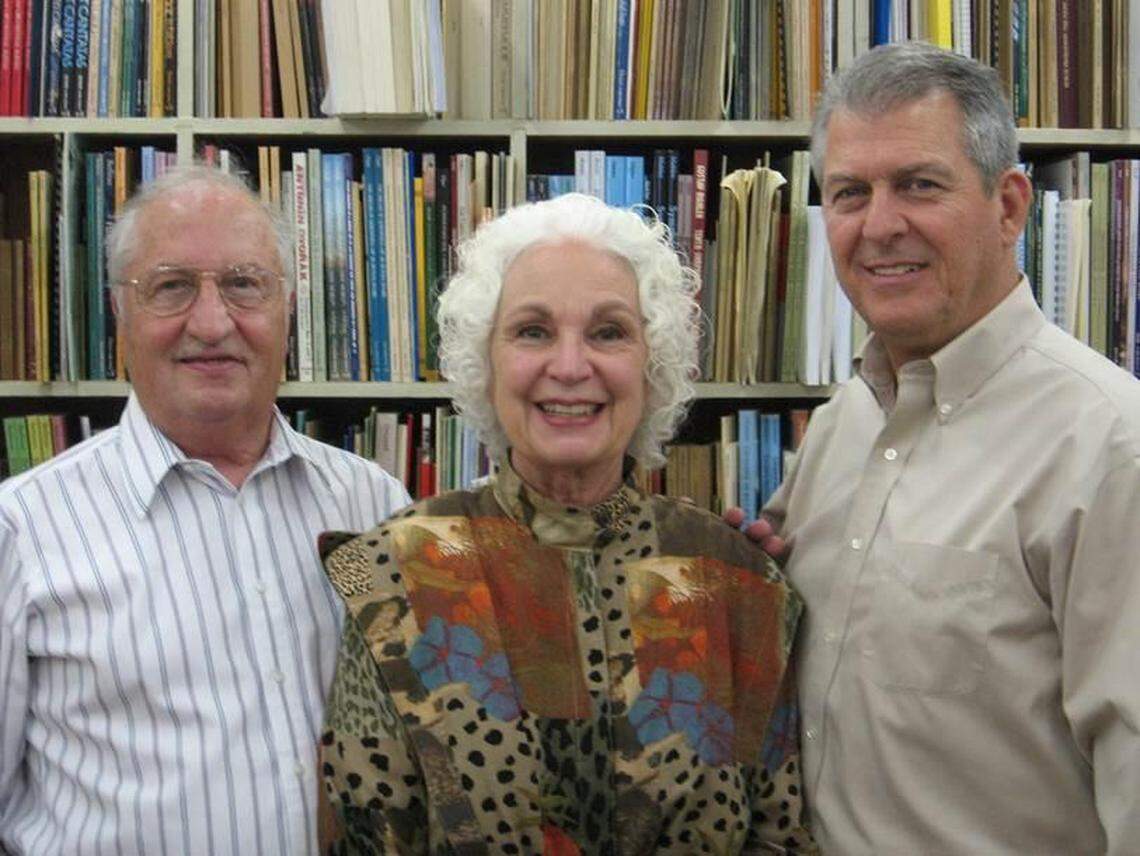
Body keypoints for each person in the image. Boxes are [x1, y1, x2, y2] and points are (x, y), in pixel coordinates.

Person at [316, 193, 816, 853]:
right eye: (533, 330)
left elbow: (780, 839)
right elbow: (363, 839)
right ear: (485, 362)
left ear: (651, 362)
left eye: (608, 331)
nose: (572, 367)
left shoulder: (739, 581)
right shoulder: (391, 574)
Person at [739, 42, 1140, 853]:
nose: (880, 225)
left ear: (1009, 205)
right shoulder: (844, 424)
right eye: (850, 193)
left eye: (919, 185)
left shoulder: (1110, 447)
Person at [0, 165, 410, 855]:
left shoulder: (373, 504)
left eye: (245, 284)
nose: (213, 322)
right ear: (120, 315)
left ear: (287, 308)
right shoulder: (22, 530)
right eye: (172, 287)